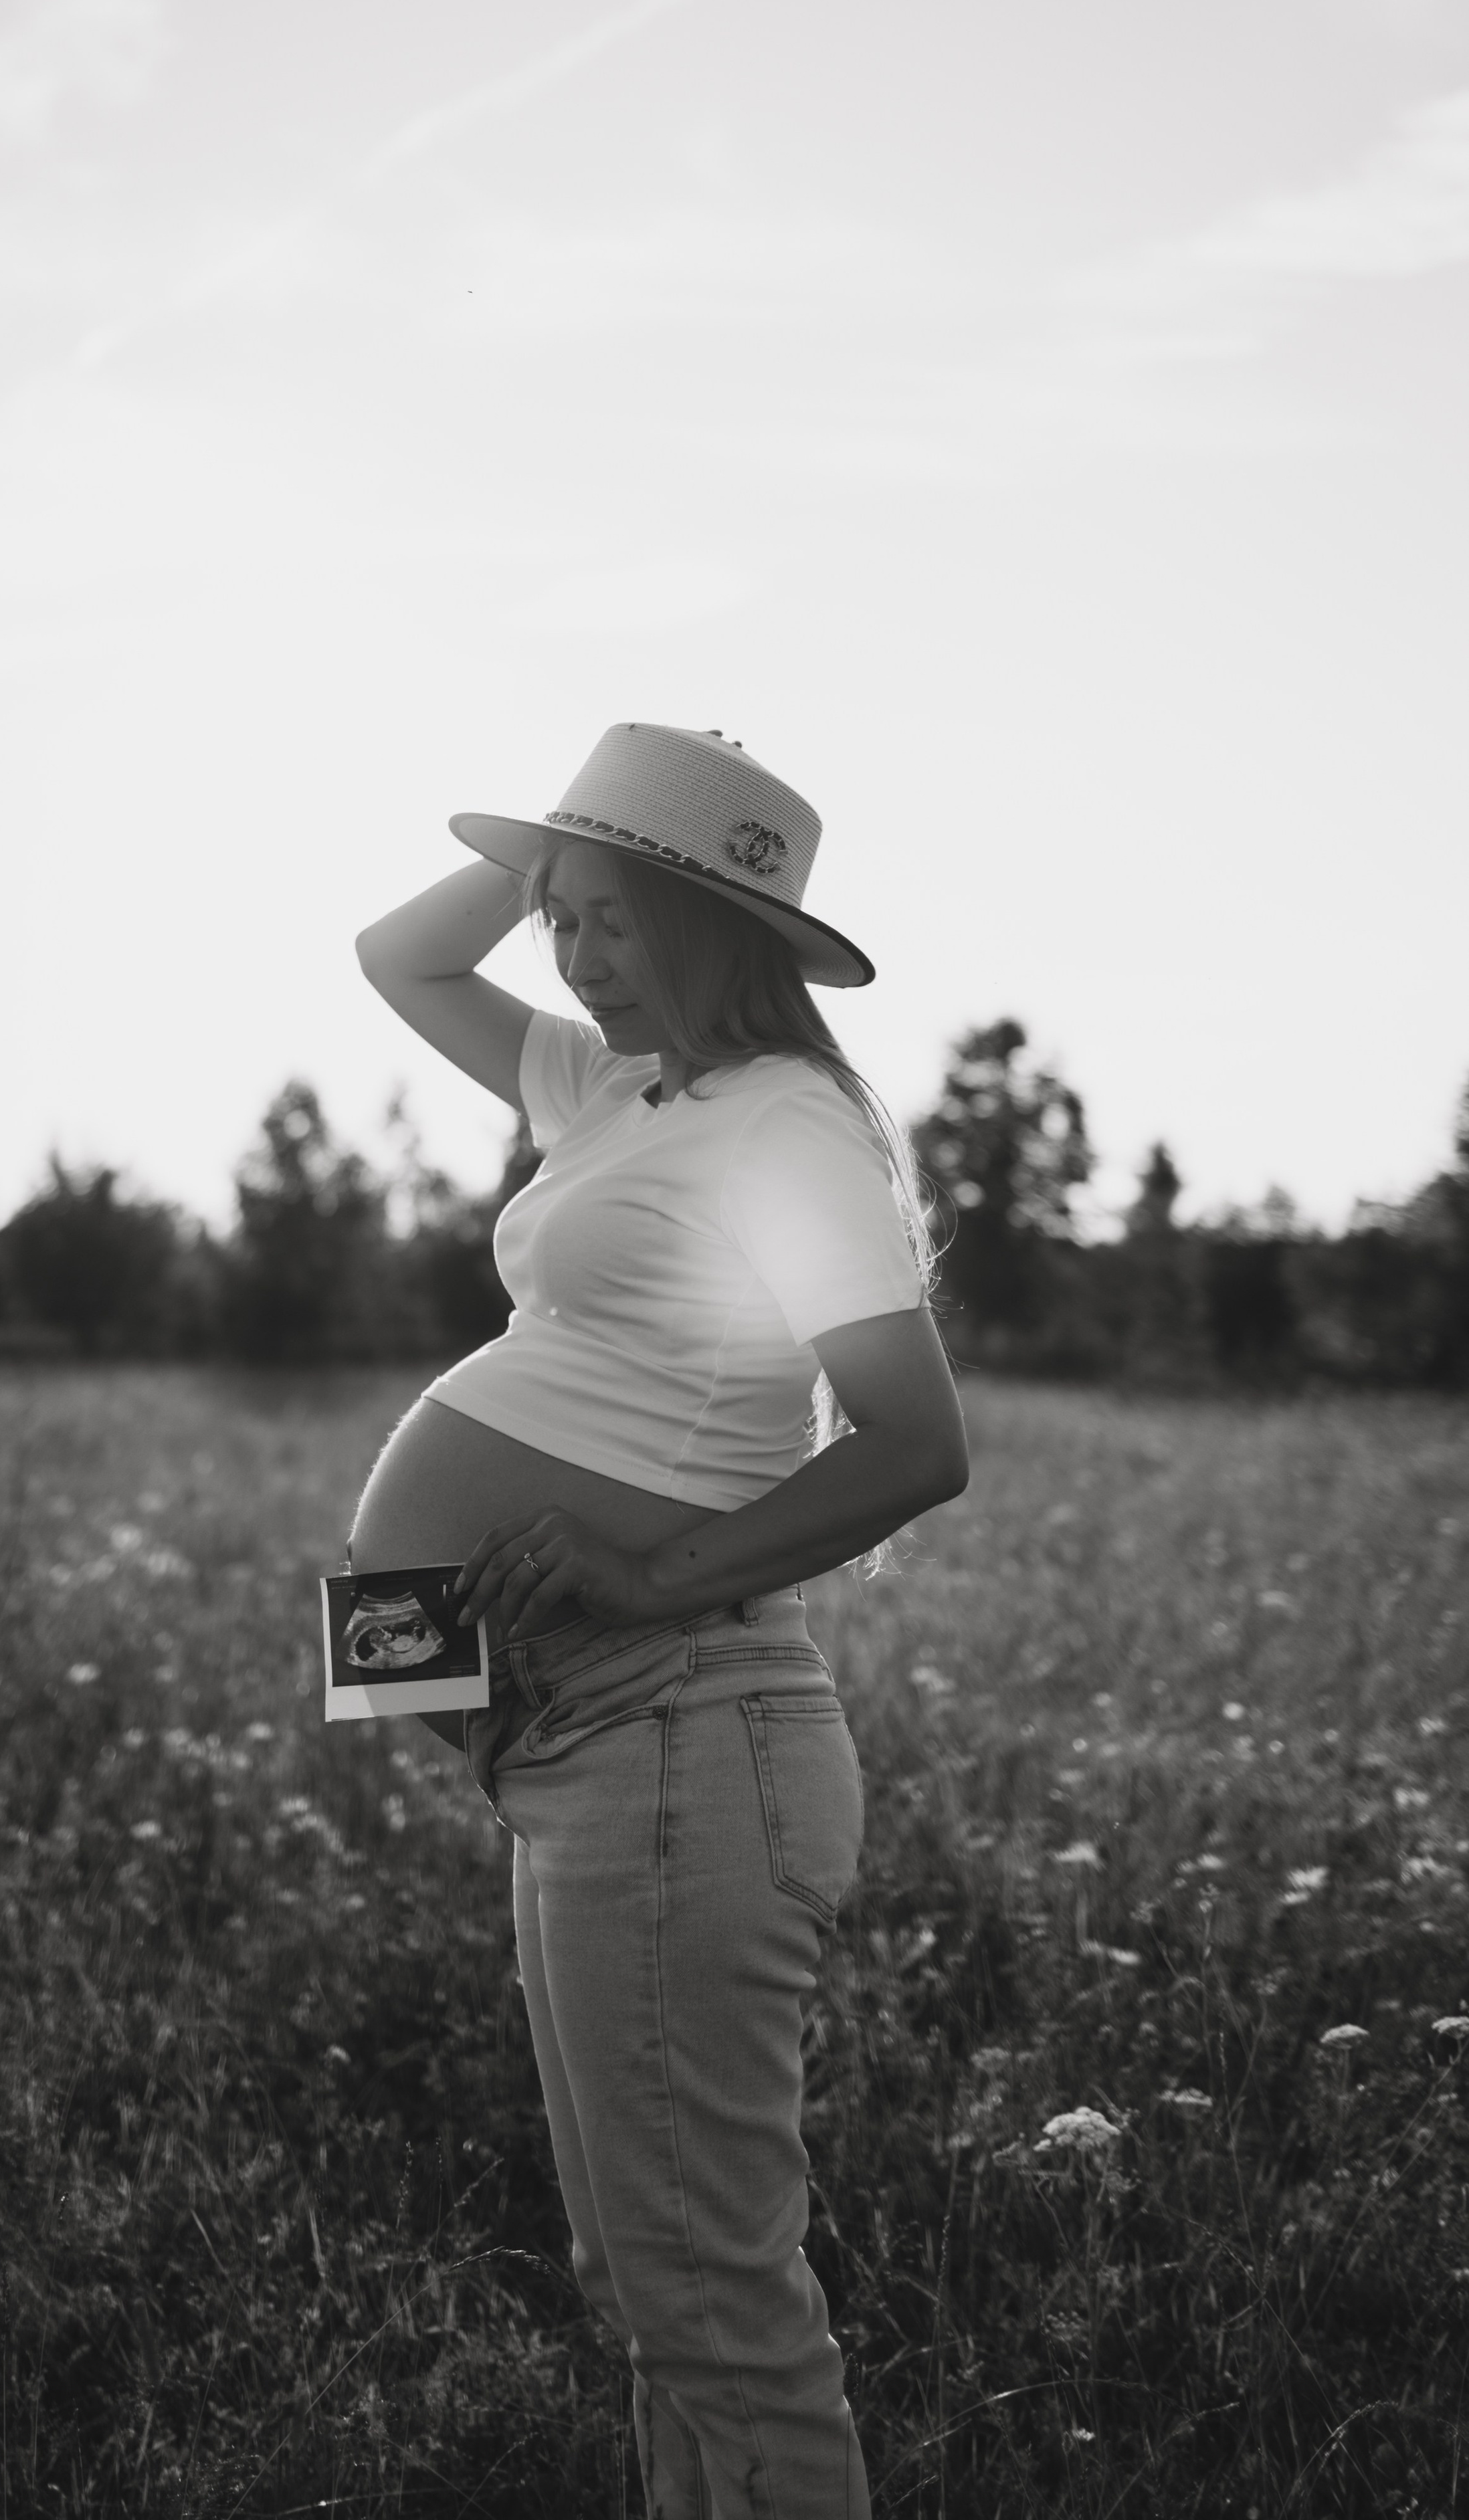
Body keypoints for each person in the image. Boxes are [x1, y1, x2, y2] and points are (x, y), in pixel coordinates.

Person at [351, 722, 969, 2520]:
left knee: (715, 2309)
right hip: (581, 1751)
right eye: (565, 913)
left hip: (684, 1722)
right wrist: (558, 833)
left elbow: (920, 1444)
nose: (573, 951)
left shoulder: (788, 1129)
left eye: (617, 918)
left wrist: (648, 1577)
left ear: (720, 926)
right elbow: (399, 957)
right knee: (653, 2298)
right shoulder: (610, 1090)